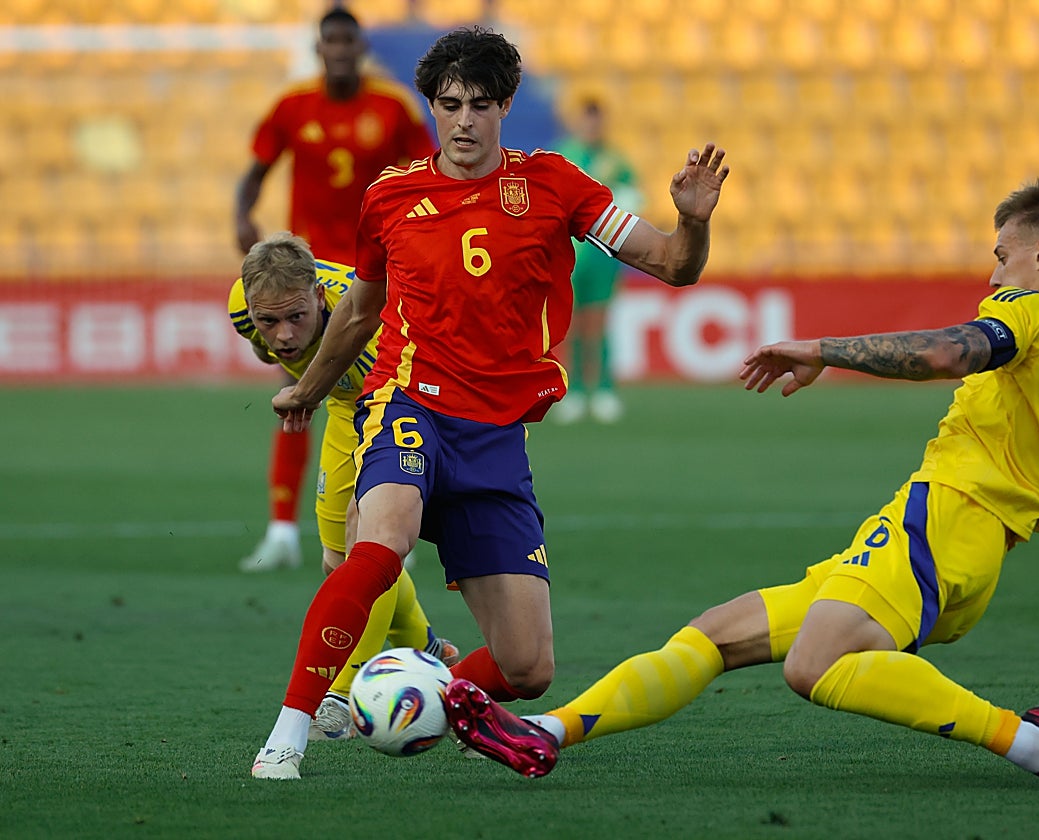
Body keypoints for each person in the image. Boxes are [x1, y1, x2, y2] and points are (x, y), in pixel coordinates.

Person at [443, 180, 1039, 789]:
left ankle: (1034, 745)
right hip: (969, 552)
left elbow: (952, 352)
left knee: (813, 666)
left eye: (1001, 256)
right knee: (716, 632)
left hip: (942, 522)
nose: (992, 275)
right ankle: (546, 730)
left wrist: (825, 348)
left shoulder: (1035, 312)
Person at [249, 25, 729, 780]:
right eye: (448, 104)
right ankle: (290, 731)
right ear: (432, 108)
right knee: (381, 547)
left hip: (497, 434)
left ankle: (430, 691)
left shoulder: (556, 185)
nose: (464, 120)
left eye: (479, 104)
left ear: (505, 104)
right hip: (409, 405)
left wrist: (694, 220)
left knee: (528, 665)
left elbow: (672, 264)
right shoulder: (390, 197)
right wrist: (308, 389)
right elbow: (361, 309)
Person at [231, 232, 458, 742]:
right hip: (341, 407)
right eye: (269, 321)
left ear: (319, 297)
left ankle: (342, 691)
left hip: (403, 406)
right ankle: (431, 649)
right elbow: (277, 355)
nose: (283, 334)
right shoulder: (243, 311)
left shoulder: (368, 324)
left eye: (296, 317)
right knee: (338, 564)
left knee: (368, 546)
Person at [233, 7, 436, 573]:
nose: (340, 50)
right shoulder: (294, 107)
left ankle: (387, 520)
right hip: (306, 281)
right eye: (331, 41)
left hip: (372, 278)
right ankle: (280, 529)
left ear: (360, 46)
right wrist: (242, 216)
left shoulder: (391, 108)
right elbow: (254, 171)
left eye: (349, 41)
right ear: (320, 48)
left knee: (383, 395)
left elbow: (427, 173)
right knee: (298, 392)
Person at [553, 97, 642, 424]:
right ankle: (573, 391)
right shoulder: (564, 156)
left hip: (604, 255)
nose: (592, 127)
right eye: (587, 120)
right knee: (571, 325)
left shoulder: (616, 160)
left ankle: (603, 389)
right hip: (570, 256)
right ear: (578, 122)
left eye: (596, 120)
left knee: (599, 323)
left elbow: (634, 199)